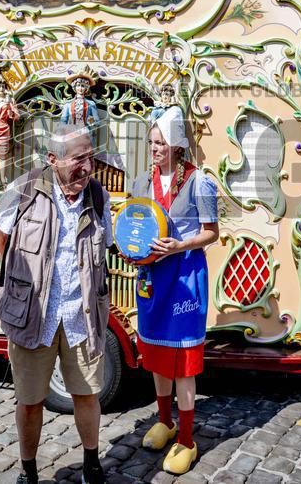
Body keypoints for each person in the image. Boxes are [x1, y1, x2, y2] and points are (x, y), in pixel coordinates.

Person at [0, 124, 111, 484]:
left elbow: (105, 248)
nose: (87, 167)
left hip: (81, 316)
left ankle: (92, 462)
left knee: (87, 395)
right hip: (33, 316)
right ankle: (28, 470)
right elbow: (1, 241)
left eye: (90, 157)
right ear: (52, 159)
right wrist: (26, 287)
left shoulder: (97, 196)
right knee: (29, 401)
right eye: (78, 158)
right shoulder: (23, 189)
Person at [129, 108, 218, 475]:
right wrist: (131, 249)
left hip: (184, 277)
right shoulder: (141, 182)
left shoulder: (200, 183)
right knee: (156, 354)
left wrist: (179, 246)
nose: (154, 149)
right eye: (151, 142)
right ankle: (164, 422)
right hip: (152, 278)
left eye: (161, 143)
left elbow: (212, 232)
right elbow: (133, 226)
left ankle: (186, 440)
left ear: (178, 145)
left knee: (182, 362)